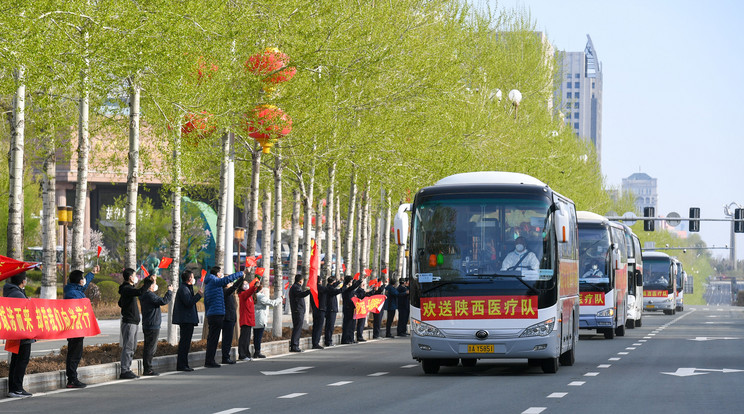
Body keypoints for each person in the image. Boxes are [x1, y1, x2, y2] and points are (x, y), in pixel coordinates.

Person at [63, 266, 99, 388]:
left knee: (76, 354)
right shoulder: (72, 294)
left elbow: (84, 286)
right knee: (74, 354)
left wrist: (92, 273)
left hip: (79, 327)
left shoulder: (75, 290)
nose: (84, 280)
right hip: (74, 328)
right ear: (79, 280)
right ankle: (72, 379)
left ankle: (72, 378)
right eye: (83, 278)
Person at [203, 266, 244, 368]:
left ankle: (210, 360)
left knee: (214, 339)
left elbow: (206, 302)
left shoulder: (210, 285)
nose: (221, 275)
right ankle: (212, 360)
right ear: (217, 274)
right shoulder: (218, 287)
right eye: (220, 273)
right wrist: (241, 275)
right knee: (215, 339)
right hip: (219, 315)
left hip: (215, 314)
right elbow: (231, 285)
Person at [118, 268, 154, 379]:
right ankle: (125, 370)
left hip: (133, 322)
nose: (136, 277)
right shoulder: (127, 289)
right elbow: (140, 292)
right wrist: (148, 282)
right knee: (128, 347)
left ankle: (127, 368)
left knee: (132, 347)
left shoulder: (128, 289)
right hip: (129, 322)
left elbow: (121, 303)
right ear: (130, 277)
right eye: (134, 275)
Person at [4, 272, 34, 398]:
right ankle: (17, 388)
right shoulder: (17, 294)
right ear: (22, 281)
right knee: (21, 361)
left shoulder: (11, 291)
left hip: (16, 332)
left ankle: (13, 388)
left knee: (16, 361)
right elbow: (27, 310)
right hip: (23, 332)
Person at [139, 279, 173, 376]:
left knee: (148, 347)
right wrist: (169, 291)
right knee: (150, 348)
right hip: (152, 324)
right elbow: (163, 301)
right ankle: (148, 369)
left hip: (148, 323)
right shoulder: (149, 295)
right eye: (154, 283)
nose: (155, 285)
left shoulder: (143, 294)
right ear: (150, 285)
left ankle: (147, 368)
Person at [172, 269, 203, 372]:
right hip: (185, 320)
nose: (194, 279)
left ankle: (184, 364)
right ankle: (182, 364)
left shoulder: (187, 288)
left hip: (188, 319)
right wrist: (198, 295)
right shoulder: (183, 289)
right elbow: (188, 302)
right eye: (193, 277)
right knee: (184, 343)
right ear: (189, 278)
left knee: (186, 343)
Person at [253, 286, 283, 358]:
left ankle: (256, 351)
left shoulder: (253, 295)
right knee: (258, 336)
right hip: (260, 318)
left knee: (256, 336)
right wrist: (280, 298)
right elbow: (272, 303)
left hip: (254, 317)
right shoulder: (260, 297)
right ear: (260, 289)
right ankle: (257, 352)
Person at [221, 273, 244, 364]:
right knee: (227, 339)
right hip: (227, 318)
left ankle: (226, 356)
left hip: (230, 318)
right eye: (229, 281)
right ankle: (225, 357)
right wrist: (241, 278)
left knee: (228, 339)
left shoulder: (227, 291)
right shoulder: (225, 291)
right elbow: (234, 287)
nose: (231, 283)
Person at [237, 277, 260, 361]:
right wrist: (254, 287)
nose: (246, 285)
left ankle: (246, 354)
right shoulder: (242, 294)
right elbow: (249, 291)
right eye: (244, 284)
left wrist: (256, 288)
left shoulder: (249, 296)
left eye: (247, 284)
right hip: (245, 320)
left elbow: (251, 293)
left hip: (249, 320)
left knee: (247, 339)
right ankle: (242, 355)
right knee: (244, 338)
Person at [289, 274, 311, 352]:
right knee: (297, 328)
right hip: (297, 311)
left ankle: (295, 345)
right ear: (300, 280)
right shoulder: (295, 287)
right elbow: (300, 295)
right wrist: (309, 291)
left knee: (297, 328)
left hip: (298, 310)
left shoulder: (296, 287)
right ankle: (294, 345)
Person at [340, 276, 362, 344]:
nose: (352, 283)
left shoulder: (351, 289)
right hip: (347, 308)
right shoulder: (345, 288)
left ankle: (351, 338)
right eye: (351, 281)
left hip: (353, 308)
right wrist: (360, 280)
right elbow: (352, 287)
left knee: (352, 324)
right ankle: (345, 339)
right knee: (347, 324)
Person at [323, 276, 342, 346]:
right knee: (330, 326)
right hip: (331, 309)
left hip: (331, 309)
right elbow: (338, 291)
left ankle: (328, 340)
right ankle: (328, 341)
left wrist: (339, 282)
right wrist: (344, 286)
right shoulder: (330, 289)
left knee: (330, 326)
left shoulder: (329, 286)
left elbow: (334, 286)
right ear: (332, 281)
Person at [310, 276, 327, 349]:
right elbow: (328, 290)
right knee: (318, 327)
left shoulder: (312, 289)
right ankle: (316, 343)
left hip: (315, 309)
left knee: (315, 326)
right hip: (320, 309)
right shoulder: (320, 288)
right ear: (319, 281)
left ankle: (315, 342)